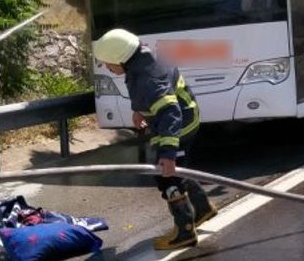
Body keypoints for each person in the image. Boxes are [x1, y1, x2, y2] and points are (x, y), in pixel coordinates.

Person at [91, 29, 216, 250]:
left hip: (179, 125)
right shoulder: (141, 58)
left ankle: (185, 231)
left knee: (166, 176)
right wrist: (141, 111)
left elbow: (170, 112)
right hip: (178, 119)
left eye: (107, 63)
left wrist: (168, 154)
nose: (106, 68)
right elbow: (151, 96)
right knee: (177, 170)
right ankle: (202, 208)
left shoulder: (148, 77)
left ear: (121, 57)